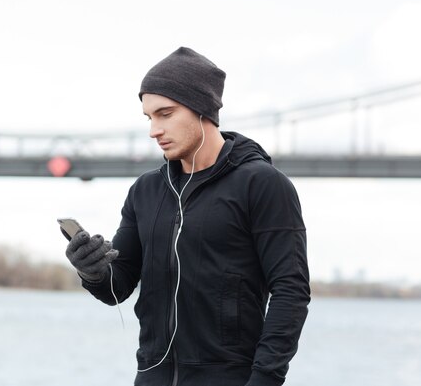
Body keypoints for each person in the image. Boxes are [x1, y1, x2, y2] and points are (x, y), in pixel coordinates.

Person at [65, 47, 310, 386]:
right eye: (149, 117)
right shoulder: (145, 191)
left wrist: (265, 379)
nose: (154, 129)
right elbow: (116, 288)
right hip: (151, 376)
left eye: (165, 114)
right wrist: (90, 269)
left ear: (202, 110)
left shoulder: (263, 185)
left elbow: (291, 291)